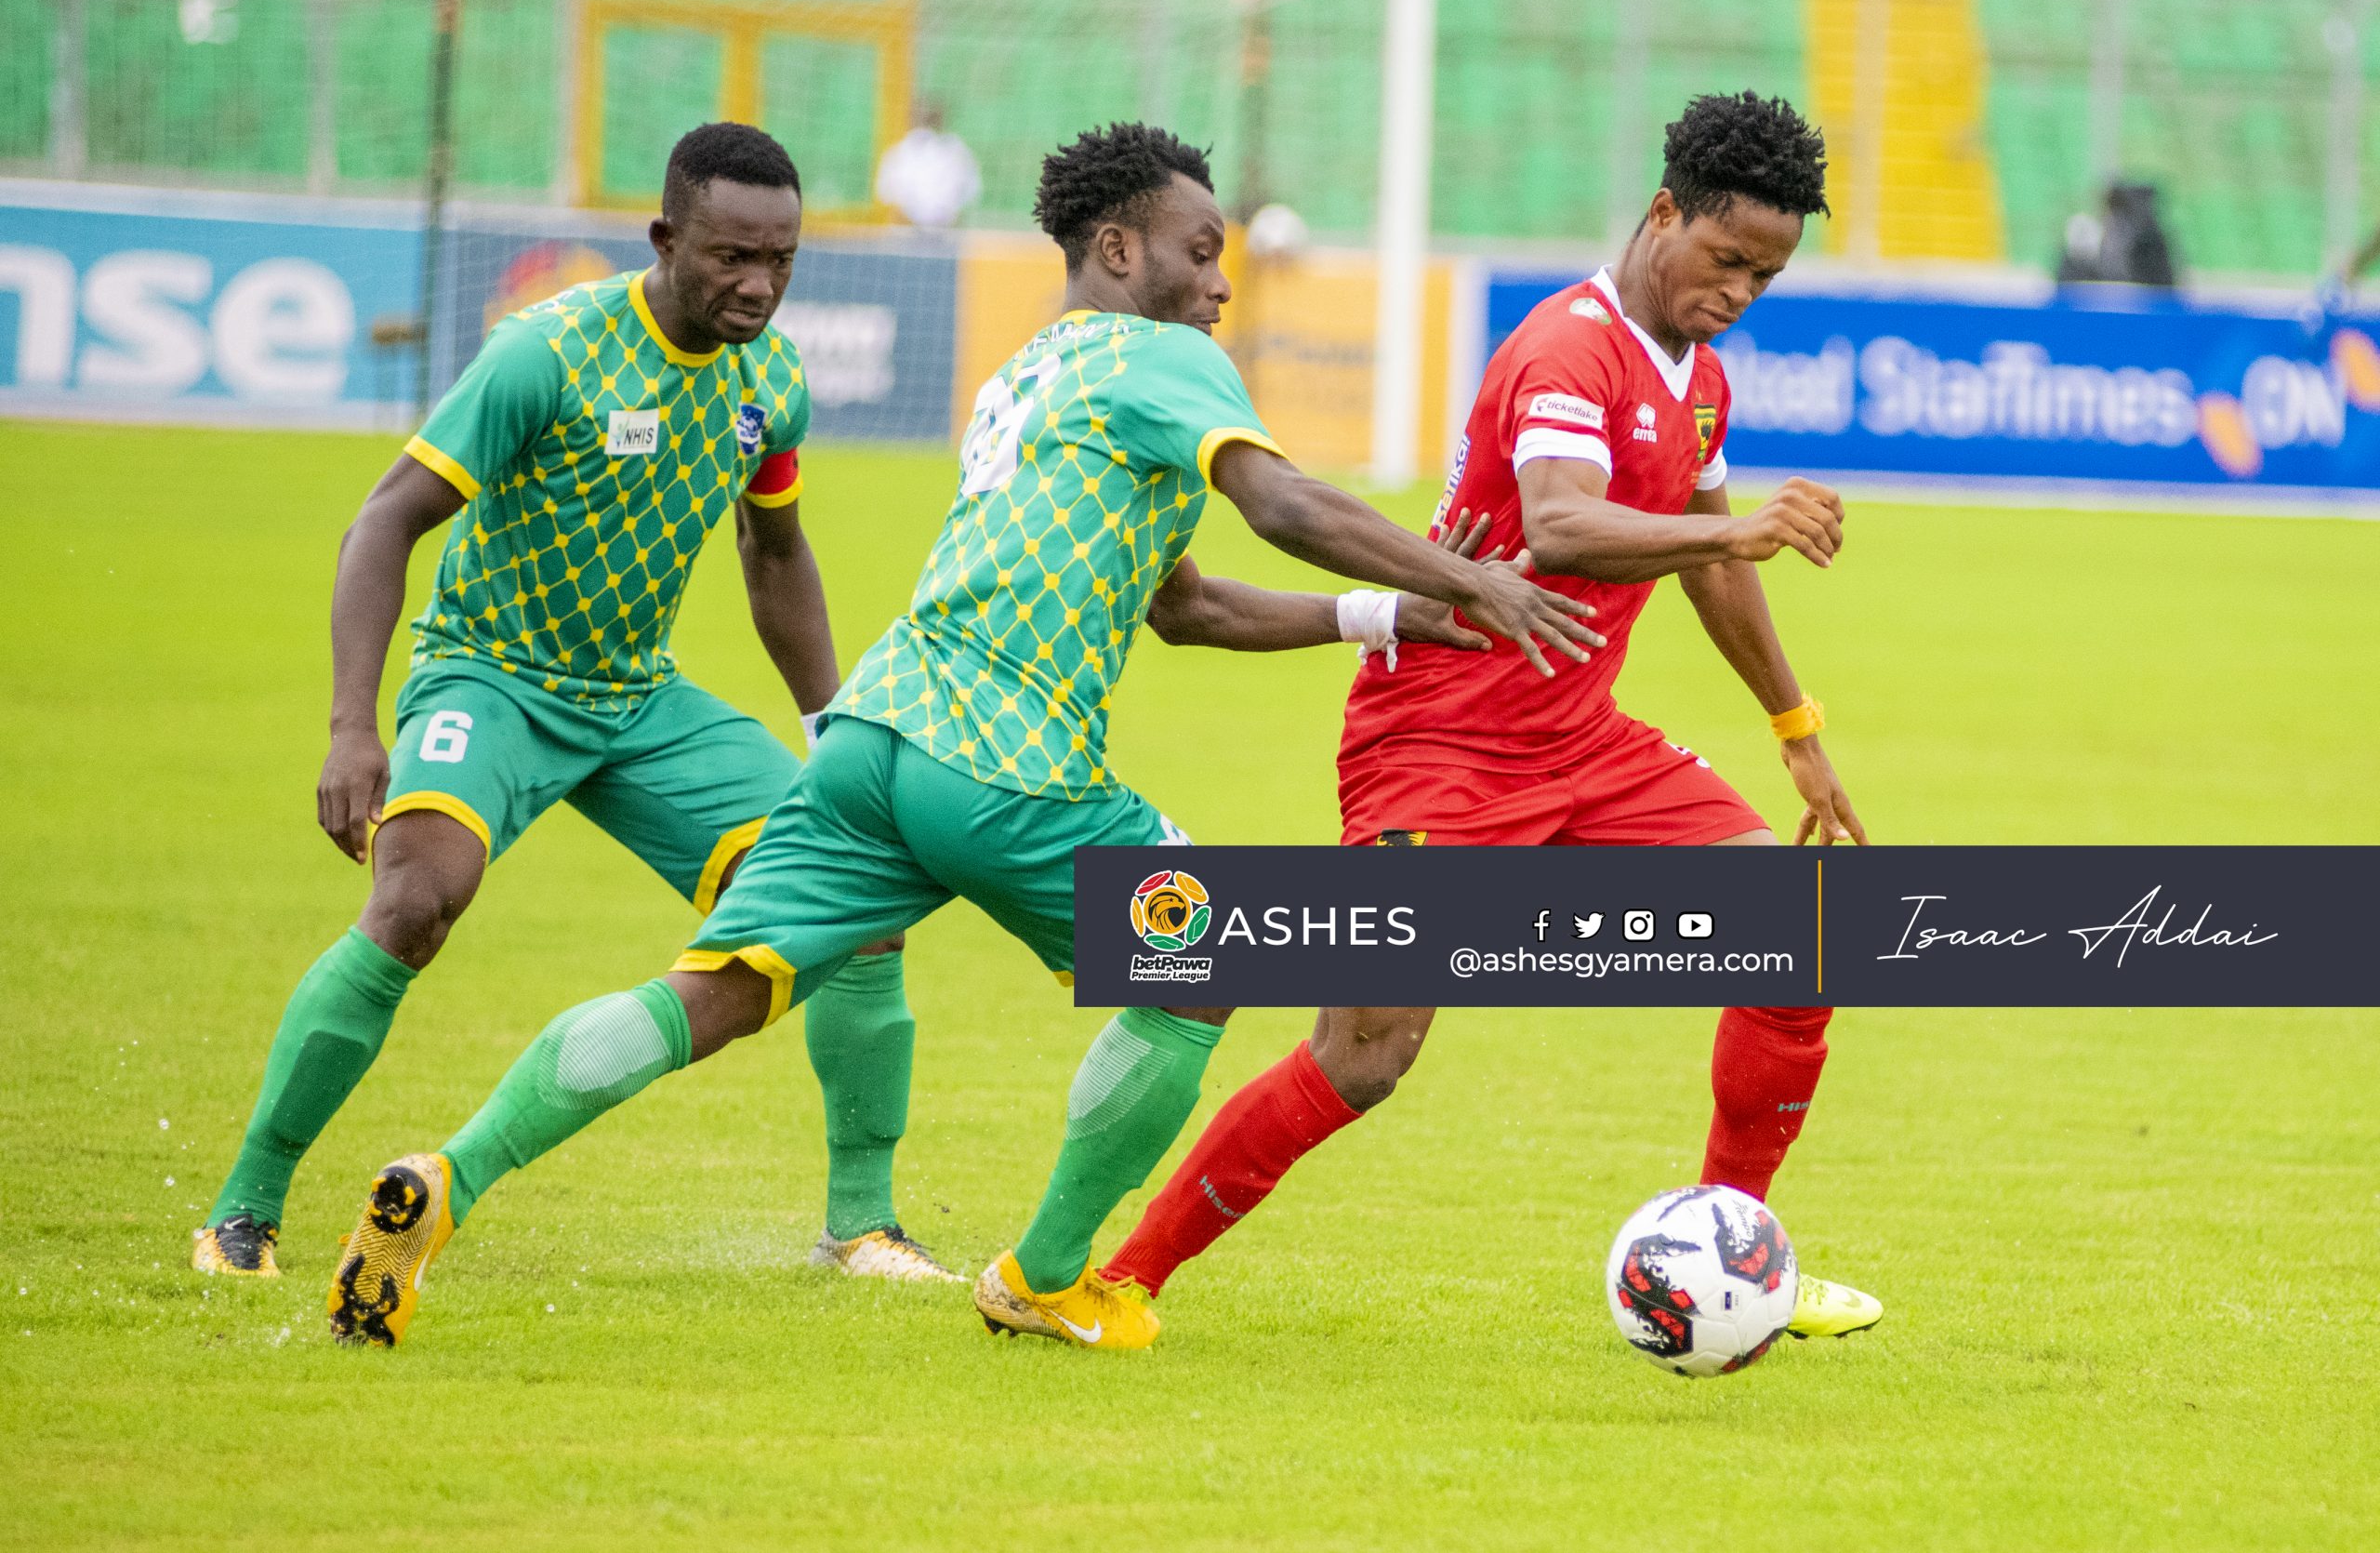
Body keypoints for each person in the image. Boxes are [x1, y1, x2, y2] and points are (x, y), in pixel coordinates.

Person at [318, 122, 1597, 1347]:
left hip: (871, 740)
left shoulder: (1029, 375)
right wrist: (1469, 577)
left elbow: (1184, 604)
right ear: (1117, 249)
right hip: (1006, 762)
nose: (1221, 283)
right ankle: (1044, 1277)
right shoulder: (1168, 362)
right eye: (1201, 252)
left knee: (712, 992)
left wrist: (1387, 613)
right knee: (1199, 966)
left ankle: (449, 1174)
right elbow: (1282, 501)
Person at [1094, 91, 1885, 1345]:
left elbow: (1712, 572)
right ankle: (1120, 1278)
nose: (1740, 290)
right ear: (1663, 212)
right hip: (1439, 743)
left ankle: (1736, 1254)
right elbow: (1562, 521)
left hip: (1579, 737)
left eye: (1766, 275)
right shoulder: (1568, 348)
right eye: (1727, 257)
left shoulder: (1700, 380)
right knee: (1365, 1051)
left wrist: (1796, 726)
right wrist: (1736, 527)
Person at [192, 123, 951, 1289]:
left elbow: (775, 555)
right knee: (414, 903)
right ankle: (242, 1212)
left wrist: (829, 733)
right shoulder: (545, 354)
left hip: (638, 698)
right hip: (490, 674)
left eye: (781, 261)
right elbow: (385, 520)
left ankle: (861, 1226)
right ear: (664, 238)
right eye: (732, 256)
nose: (759, 285)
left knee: (859, 896)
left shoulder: (771, 382)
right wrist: (353, 726)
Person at [874, 102, 982, 229]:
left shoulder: (955, 150)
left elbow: (971, 189)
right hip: (908, 230)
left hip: (946, 229)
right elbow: (886, 194)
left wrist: (956, 215)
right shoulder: (898, 152)